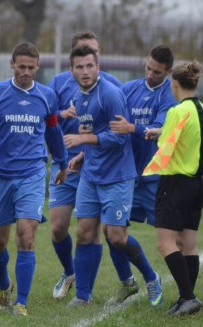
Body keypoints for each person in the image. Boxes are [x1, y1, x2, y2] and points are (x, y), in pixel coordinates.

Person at [0, 41, 68, 316]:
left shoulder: (47, 96)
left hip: (32, 173)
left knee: (26, 236)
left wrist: (62, 162)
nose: (26, 72)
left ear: (38, 67)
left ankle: (21, 303)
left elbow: (53, 132)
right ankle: (5, 284)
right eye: (21, 67)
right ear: (12, 65)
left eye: (31, 67)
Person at [63, 45, 155, 307]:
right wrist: (83, 155)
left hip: (117, 175)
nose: (85, 71)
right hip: (91, 175)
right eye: (79, 67)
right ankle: (83, 296)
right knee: (83, 232)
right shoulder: (77, 96)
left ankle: (150, 276)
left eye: (89, 66)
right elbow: (96, 129)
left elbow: (118, 136)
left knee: (116, 236)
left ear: (98, 67)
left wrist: (82, 138)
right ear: (72, 71)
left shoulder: (110, 94)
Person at [47, 30, 121, 301]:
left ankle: (86, 291)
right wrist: (61, 114)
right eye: (82, 55)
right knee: (57, 227)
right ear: (73, 60)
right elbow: (45, 114)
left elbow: (118, 128)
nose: (86, 66)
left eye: (93, 55)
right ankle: (70, 272)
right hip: (64, 163)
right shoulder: (58, 83)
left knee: (90, 231)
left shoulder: (110, 85)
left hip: (95, 165)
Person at [106, 45, 178, 305]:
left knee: (170, 239)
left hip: (154, 178)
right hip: (125, 176)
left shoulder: (169, 95)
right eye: (148, 68)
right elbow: (110, 118)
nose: (150, 75)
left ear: (168, 72)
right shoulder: (129, 89)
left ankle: (186, 294)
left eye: (156, 72)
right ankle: (134, 281)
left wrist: (131, 127)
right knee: (113, 232)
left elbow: (158, 129)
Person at [144, 60, 203, 316]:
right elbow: (183, 137)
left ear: (174, 84)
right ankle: (186, 299)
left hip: (175, 183)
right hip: (196, 184)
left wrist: (159, 134)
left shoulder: (177, 111)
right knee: (188, 244)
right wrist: (162, 131)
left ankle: (189, 297)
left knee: (166, 244)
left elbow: (166, 146)